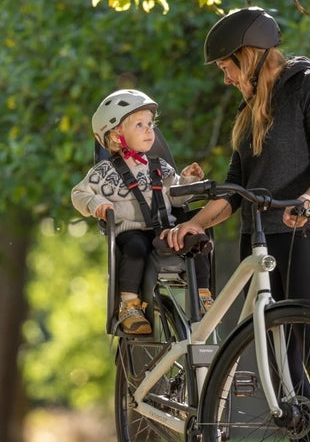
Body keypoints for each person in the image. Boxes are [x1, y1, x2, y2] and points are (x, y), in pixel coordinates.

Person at [162, 8, 310, 442]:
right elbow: (233, 190)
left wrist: (307, 203)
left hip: (306, 232)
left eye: (227, 67)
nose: (226, 78)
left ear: (247, 55)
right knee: (280, 364)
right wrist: (193, 222)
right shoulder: (249, 111)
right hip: (260, 239)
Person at [72, 89, 212, 336]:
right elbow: (79, 194)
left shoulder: (160, 167)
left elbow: (177, 196)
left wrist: (187, 180)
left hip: (164, 230)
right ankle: (129, 305)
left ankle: (202, 294)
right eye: (140, 125)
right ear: (116, 136)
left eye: (150, 124)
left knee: (196, 237)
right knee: (136, 248)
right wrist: (97, 205)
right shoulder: (105, 172)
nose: (150, 130)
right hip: (132, 231)